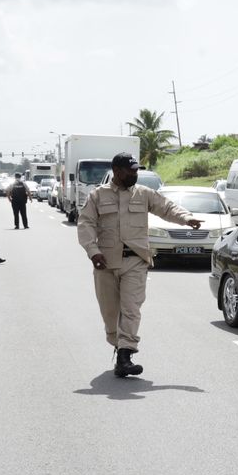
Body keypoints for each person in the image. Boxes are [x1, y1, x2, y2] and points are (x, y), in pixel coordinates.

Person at [77, 153, 202, 377]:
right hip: (105, 262)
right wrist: (93, 252)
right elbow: (85, 223)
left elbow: (167, 207)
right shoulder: (97, 196)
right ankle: (118, 344)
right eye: (130, 170)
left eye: (136, 170)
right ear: (117, 171)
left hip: (135, 260)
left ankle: (125, 354)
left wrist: (186, 218)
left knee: (131, 309)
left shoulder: (144, 194)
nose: (135, 174)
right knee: (110, 312)